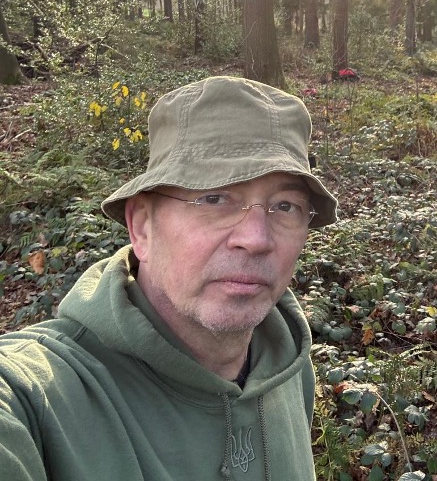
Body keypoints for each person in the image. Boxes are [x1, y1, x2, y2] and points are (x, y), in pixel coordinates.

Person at [0, 76, 338, 480]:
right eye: (214, 198)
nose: (256, 239)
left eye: (285, 206)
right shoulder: (38, 399)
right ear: (142, 226)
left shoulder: (286, 366)